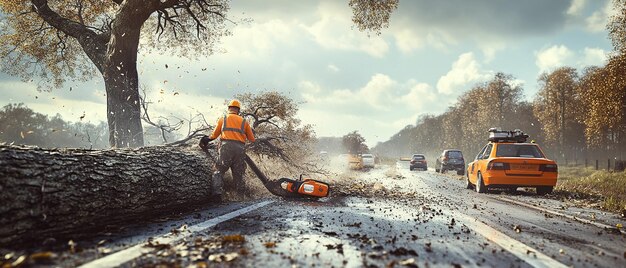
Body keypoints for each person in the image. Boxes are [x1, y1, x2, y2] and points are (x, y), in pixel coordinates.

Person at [199, 99, 255, 201]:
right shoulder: (244, 121)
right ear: (238, 110)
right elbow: (252, 139)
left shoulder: (223, 118)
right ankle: (240, 196)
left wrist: (206, 140)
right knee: (239, 173)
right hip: (240, 149)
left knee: (218, 170)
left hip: (226, 147)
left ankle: (217, 194)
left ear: (229, 108)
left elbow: (214, 135)